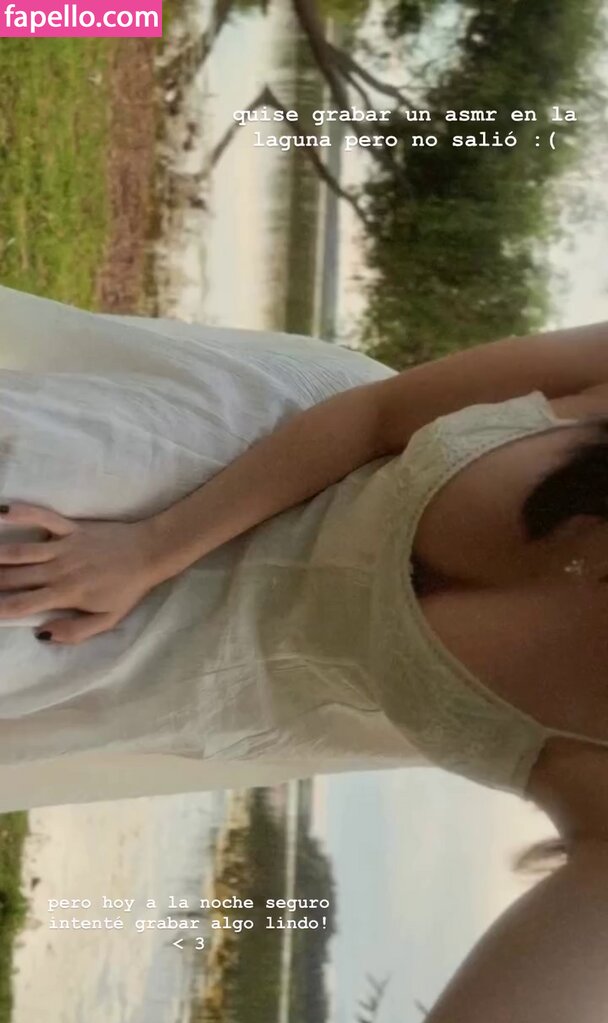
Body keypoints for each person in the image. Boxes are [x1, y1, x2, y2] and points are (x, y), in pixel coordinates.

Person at [0, 283, 607, 840]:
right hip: (282, 454)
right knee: (30, 481)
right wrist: (149, 548)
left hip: (243, 673)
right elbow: (377, 416)